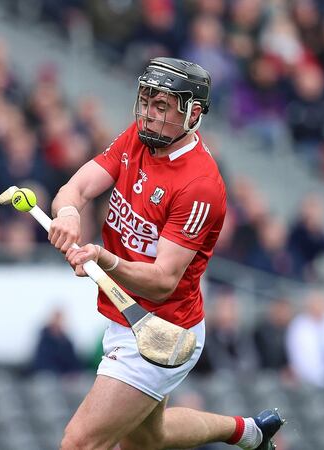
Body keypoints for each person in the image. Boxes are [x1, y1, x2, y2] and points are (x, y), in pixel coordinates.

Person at [48, 57, 283, 450]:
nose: (149, 115)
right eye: (146, 101)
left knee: (79, 443)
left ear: (192, 113)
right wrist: (70, 214)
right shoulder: (136, 139)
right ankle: (247, 432)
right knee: (148, 440)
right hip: (125, 315)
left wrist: (104, 259)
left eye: (162, 106)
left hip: (162, 329)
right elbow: (76, 189)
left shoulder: (200, 185)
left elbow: (162, 283)